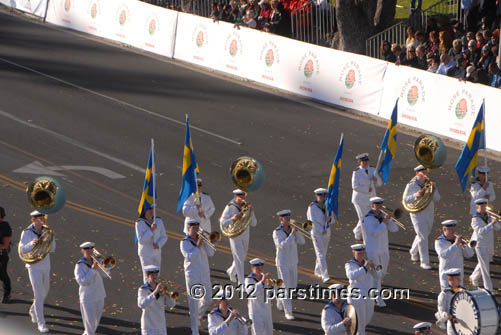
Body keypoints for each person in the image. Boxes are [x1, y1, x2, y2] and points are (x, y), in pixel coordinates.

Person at [19, 210, 56, 333]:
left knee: (45, 292)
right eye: (39, 218)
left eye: (43, 217)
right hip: (33, 266)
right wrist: (32, 243)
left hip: (45, 265)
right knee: (39, 295)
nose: (42, 220)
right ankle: (41, 323)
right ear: (33, 219)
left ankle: (33, 310)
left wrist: (51, 239)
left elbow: (53, 249)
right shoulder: (26, 233)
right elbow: (22, 249)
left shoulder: (47, 231)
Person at [360, 197, 399, 307]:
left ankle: (372, 294)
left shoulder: (382, 217)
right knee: (377, 275)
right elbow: (374, 233)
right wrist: (384, 222)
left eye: (381, 205)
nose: (379, 207)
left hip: (383, 249)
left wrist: (390, 220)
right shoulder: (368, 218)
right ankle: (377, 298)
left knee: (381, 273)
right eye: (377, 205)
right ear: (372, 206)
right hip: (373, 251)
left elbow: (395, 229)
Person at [402, 165, 440, 270]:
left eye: (426, 172)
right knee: (423, 237)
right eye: (422, 173)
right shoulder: (411, 185)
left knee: (423, 234)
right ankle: (424, 262)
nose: (425, 175)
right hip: (417, 214)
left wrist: (435, 189)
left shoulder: (431, 184)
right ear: (417, 173)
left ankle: (413, 251)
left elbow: (437, 198)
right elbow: (405, 199)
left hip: (429, 212)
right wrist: (415, 195)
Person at [181, 219, 215, 335]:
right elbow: (189, 257)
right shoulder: (184, 242)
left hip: (204, 273)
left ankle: (197, 318)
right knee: (194, 302)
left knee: (208, 299)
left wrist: (208, 242)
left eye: (197, 226)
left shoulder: (202, 239)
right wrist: (198, 246)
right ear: (188, 227)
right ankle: (194, 330)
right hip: (193, 274)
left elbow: (211, 253)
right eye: (193, 226)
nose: (196, 228)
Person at [272, 209, 305, 320]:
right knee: (286, 287)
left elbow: (302, 242)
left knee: (292, 286)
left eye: (289, 218)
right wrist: (291, 235)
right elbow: (282, 246)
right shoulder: (277, 232)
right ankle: (288, 312)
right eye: (286, 219)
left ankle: (279, 299)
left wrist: (298, 233)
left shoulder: (293, 230)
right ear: (281, 219)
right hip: (283, 262)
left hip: (293, 261)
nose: (289, 220)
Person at [220, 189, 257, 285]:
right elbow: (222, 222)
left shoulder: (247, 207)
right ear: (235, 197)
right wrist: (232, 219)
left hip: (245, 234)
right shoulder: (230, 207)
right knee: (239, 259)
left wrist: (252, 213)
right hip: (235, 235)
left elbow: (254, 223)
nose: (242, 199)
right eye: (240, 197)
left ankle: (231, 271)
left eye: (243, 196)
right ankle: (241, 283)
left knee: (242, 256)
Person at [74, 242, 106, 335]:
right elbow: (82, 282)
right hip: (88, 297)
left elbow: (106, 275)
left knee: (95, 323)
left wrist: (104, 265)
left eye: (91, 249)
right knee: (89, 326)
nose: (89, 251)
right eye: (87, 250)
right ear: (82, 251)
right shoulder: (79, 265)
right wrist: (92, 270)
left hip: (99, 295)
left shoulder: (97, 261)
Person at [345, 244, 376, 335]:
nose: (361, 255)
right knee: (360, 322)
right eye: (359, 253)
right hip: (356, 296)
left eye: (362, 253)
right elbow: (351, 275)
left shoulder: (367, 262)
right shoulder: (350, 264)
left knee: (367, 318)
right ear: (353, 253)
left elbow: (377, 276)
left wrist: (374, 269)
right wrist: (364, 268)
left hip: (368, 294)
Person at [469, 198, 499, 292]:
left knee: (483, 263)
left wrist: (497, 221)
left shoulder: (489, 216)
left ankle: (474, 277)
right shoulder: (475, 219)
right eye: (482, 206)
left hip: (489, 243)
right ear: (477, 206)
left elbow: (498, 228)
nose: (484, 208)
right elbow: (480, 231)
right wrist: (492, 223)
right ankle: (488, 289)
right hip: (480, 244)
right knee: (485, 267)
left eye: (485, 206)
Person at [434, 220, 474, 290]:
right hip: (446, 274)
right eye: (450, 230)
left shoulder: (458, 241)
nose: (453, 232)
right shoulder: (439, 242)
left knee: (459, 297)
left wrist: (466, 246)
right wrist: (455, 244)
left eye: (454, 229)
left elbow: (469, 255)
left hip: (458, 274)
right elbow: (444, 255)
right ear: (444, 229)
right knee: (447, 296)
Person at [137, 265, 176, 335]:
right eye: (152, 275)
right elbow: (141, 304)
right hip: (148, 326)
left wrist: (168, 295)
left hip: (160, 325)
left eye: (156, 275)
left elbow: (172, 304)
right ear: (147, 275)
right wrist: (155, 292)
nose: (155, 277)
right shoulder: (143, 289)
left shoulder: (161, 289)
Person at [352, 153, 381, 241]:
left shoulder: (373, 169)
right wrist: (366, 189)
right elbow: (355, 186)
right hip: (359, 200)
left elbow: (380, 183)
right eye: (363, 161)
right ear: (359, 162)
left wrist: (376, 180)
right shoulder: (356, 172)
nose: (365, 163)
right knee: (364, 218)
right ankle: (366, 239)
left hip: (371, 199)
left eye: (366, 161)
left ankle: (357, 231)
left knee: (366, 217)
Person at [307, 188, 333, 283]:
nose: (322, 198)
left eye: (324, 196)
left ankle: (317, 270)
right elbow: (311, 222)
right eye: (320, 196)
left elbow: (332, 219)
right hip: (317, 233)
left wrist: (329, 219)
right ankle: (325, 275)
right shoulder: (312, 207)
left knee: (324, 252)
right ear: (316, 196)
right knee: (320, 254)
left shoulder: (327, 206)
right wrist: (321, 230)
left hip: (327, 232)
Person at [135, 207, 167, 281]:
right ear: (144, 210)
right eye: (149, 209)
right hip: (146, 254)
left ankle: (156, 291)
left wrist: (159, 244)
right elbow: (141, 240)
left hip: (156, 253)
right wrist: (151, 230)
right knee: (148, 276)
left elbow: (164, 236)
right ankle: (148, 291)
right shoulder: (139, 223)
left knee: (157, 275)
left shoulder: (158, 220)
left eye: (152, 209)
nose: (151, 211)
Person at [245, 258, 274, 335]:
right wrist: (262, 282)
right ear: (252, 268)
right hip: (255, 312)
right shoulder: (249, 280)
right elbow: (251, 292)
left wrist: (272, 286)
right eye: (256, 267)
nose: (259, 269)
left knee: (269, 332)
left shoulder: (266, 279)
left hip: (266, 311)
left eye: (261, 267)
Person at [435, 268, 463, 335]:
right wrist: (446, 315)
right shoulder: (444, 294)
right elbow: (441, 310)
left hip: (464, 322)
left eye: (459, 278)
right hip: (452, 323)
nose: (460, 280)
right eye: (457, 278)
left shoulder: (463, 291)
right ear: (450, 280)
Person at [0, 206, 12, 303]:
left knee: (2, 274)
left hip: (1, 255)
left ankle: (7, 293)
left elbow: (5, 245)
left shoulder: (5, 227)